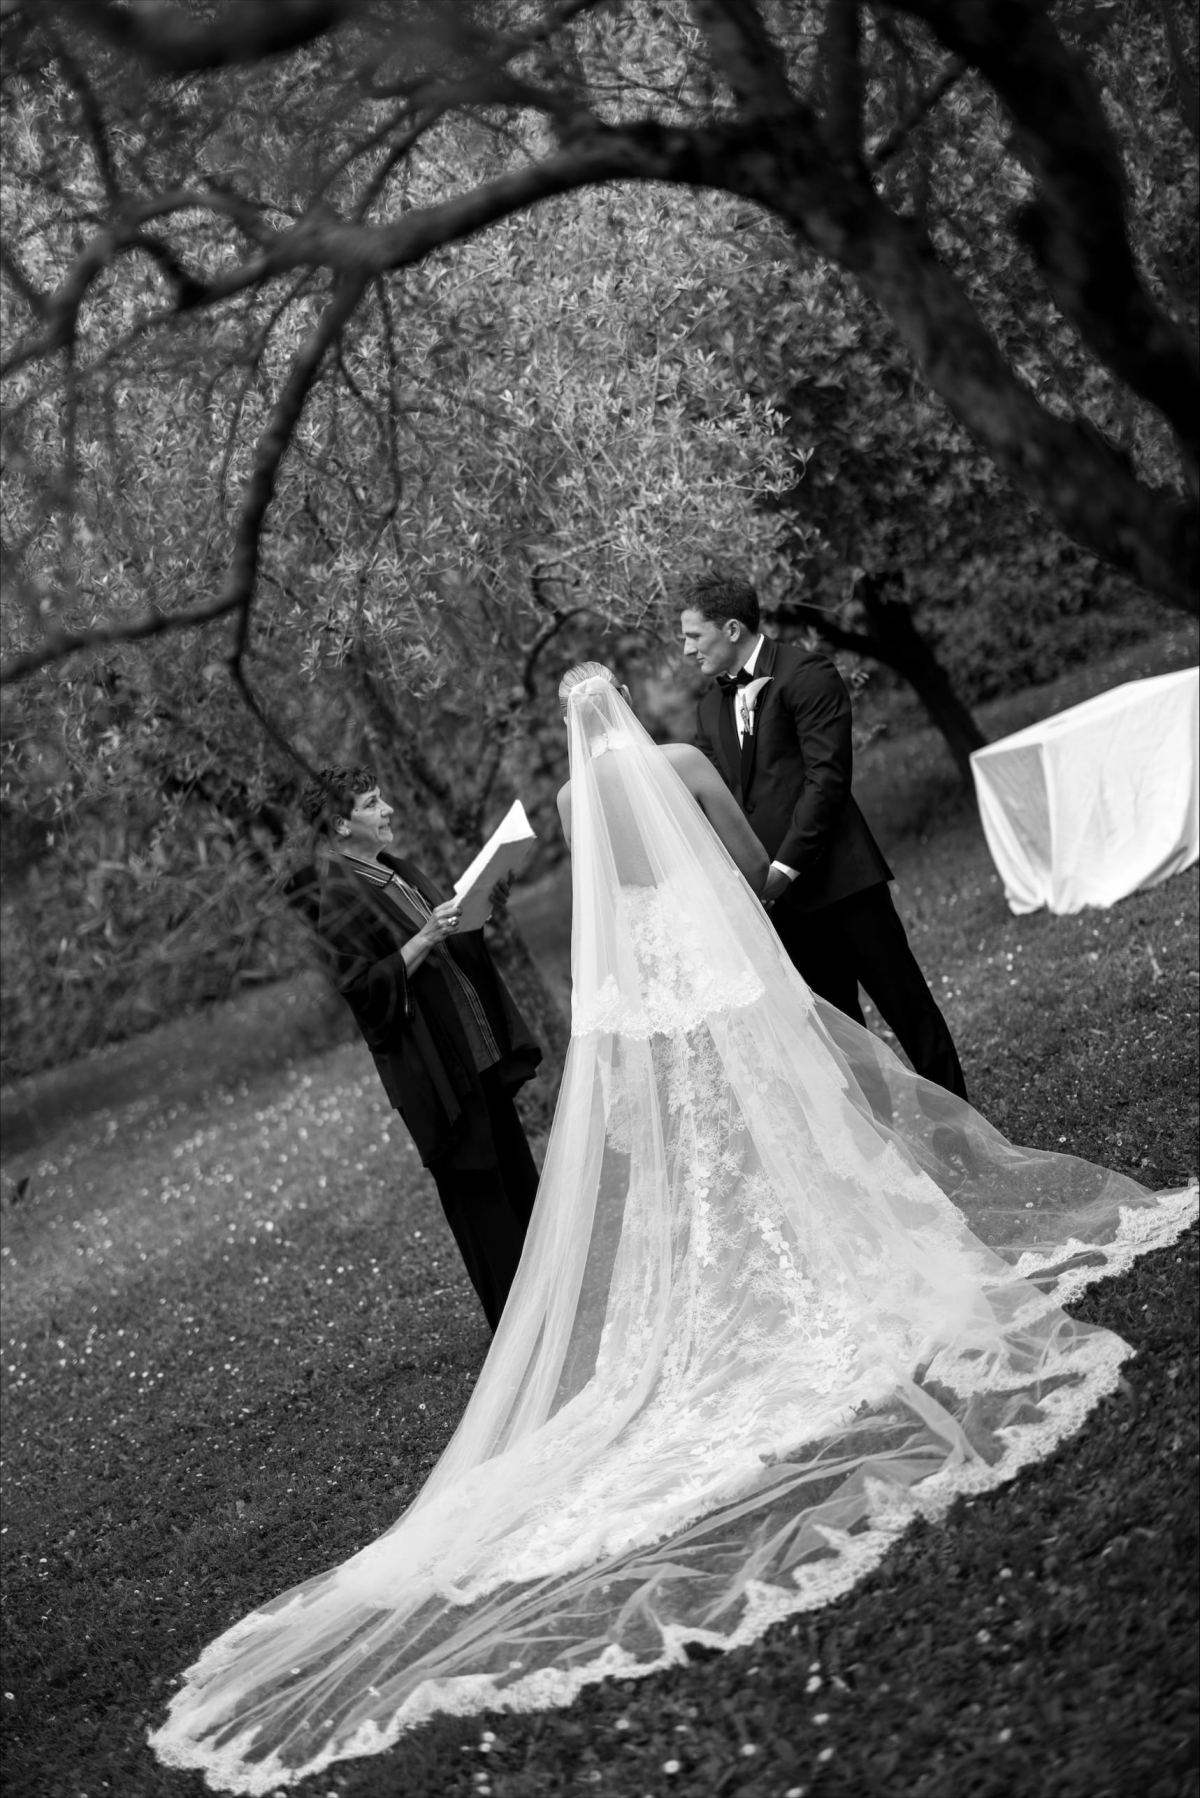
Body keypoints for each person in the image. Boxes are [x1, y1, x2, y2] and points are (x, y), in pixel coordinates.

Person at [150, 678, 1196, 1794]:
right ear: (628, 711)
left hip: (651, 992)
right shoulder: (685, 767)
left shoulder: (576, 800)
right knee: (784, 1121)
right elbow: (743, 863)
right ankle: (804, 1258)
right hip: (714, 965)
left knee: (697, 1156)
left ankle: (708, 1289)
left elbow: (596, 908)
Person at [682, 569, 968, 1100]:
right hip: (783, 908)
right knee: (841, 1041)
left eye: (694, 635)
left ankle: (967, 1134)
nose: (686, 649)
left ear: (731, 629)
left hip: (842, 882)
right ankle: (879, 1142)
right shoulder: (709, 708)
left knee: (909, 1010)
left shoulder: (807, 673)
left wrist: (782, 869)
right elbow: (723, 801)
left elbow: (827, 780)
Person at [299, 766, 543, 1332]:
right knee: (482, 1202)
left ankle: (556, 1303)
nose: (386, 809)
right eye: (371, 803)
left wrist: (482, 904)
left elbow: (448, 941)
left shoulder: (397, 870)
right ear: (340, 826)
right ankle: (522, 1333)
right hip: (438, 1075)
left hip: (477, 1051)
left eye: (382, 798)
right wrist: (426, 936)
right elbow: (363, 992)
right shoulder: (340, 899)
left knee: (518, 1181)